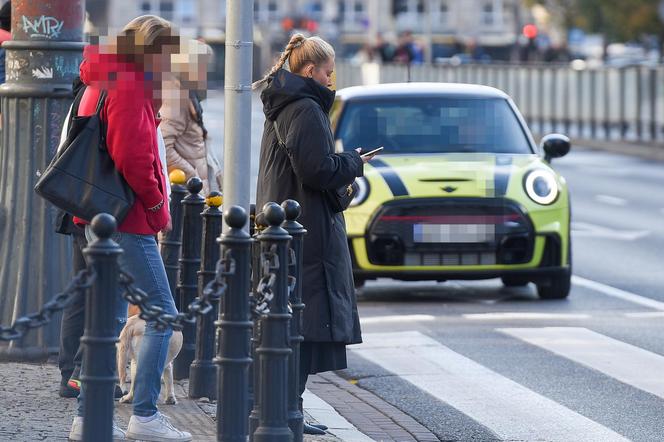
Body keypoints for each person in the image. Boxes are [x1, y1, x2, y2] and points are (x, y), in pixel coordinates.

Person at [68, 15, 191, 442]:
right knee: (161, 314)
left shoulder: (101, 77)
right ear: (150, 50)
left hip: (99, 215)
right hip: (127, 217)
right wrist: (158, 208)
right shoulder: (129, 83)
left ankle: (89, 417)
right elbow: (135, 157)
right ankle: (144, 415)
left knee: (106, 319)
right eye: (167, 55)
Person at [253, 33, 376, 435]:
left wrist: (344, 173)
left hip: (292, 220)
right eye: (327, 72)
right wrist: (353, 162)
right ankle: (287, 409)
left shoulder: (288, 104)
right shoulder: (305, 107)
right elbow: (316, 169)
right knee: (300, 324)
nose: (331, 80)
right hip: (304, 230)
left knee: (293, 322)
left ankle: (289, 407)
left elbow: (305, 169)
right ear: (310, 71)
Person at [160, 40, 221, 196]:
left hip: (192, 190)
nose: (205, 72)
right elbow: (164, 147)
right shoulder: (175, 97)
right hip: (187, 192)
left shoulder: (185, 92)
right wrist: (192, 177)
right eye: (201, 66)